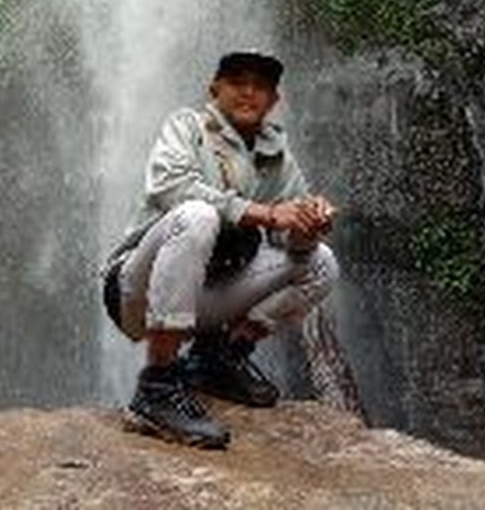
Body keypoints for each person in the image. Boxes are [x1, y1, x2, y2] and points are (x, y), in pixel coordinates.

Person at [102, 50, 339, 448]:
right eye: (237, 82)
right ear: (214, 89)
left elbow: (290, 243)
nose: (249, 92)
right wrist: (266, 213)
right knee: (198, 216)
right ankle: (156, 388)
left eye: (260, 86)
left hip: (205, 298)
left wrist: (309, 226)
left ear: (274, 99)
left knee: (321, 263)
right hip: (135, 290)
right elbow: (172, 187)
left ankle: (218, 358)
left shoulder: (277, 158)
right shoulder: (186, 126)